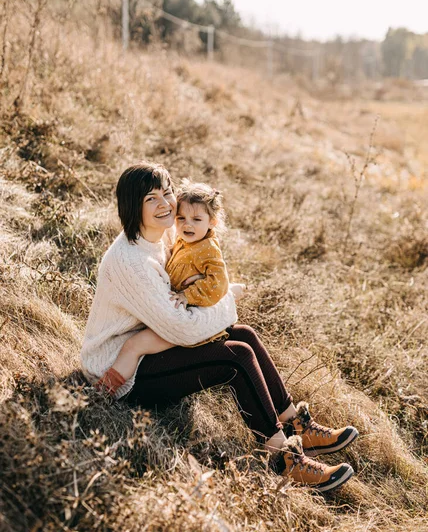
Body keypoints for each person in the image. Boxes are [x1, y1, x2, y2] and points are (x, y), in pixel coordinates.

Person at [81, 161, 359, 492]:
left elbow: (183, 306)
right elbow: (181, 328)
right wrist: (227, 299)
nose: (165, 204)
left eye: (167, 193)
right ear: (132, 207)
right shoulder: (129, 261)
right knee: (235, 358)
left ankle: (295, 424)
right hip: (123, 373)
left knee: (244, 335)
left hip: (149, 345)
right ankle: (283, 459)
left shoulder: (167, 232)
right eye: (150, 199)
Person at [95, 179, 245, 395]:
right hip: (172, 317)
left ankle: (294, 419)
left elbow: (218, 283)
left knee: (135, 346)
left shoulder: (206, 249)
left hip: (190, 310)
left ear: (212, 222)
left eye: (196, 219)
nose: (187, 225)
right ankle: (103, 392)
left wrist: (192, 293)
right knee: (133, 347)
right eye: (181, 218)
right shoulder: (179, 240)